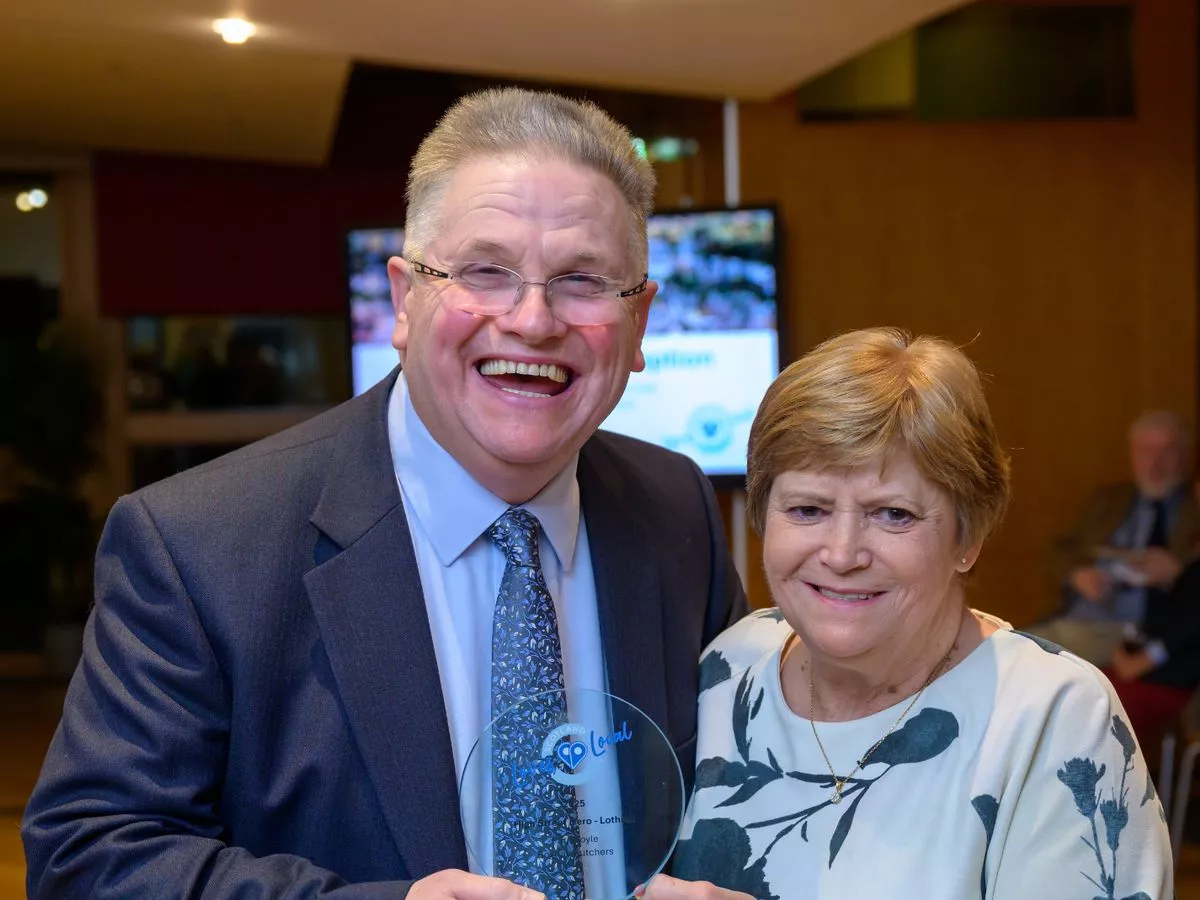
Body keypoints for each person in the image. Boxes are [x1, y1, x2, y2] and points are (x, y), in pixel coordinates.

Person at [22, 88, 746, 900]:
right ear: (404, 300)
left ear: (640, 322)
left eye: (583, 280)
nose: (534, 321)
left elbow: (749, 793)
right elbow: (90, 858)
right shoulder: (198, 546)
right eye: (486, 271)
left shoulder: (674, 509)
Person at [666, 328, 1171, 899]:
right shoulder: (728, 668)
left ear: (969, 536)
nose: (842, 554)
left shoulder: (1054, 715)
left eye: (894, 515)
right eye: (807, 509)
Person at [1030, 410, 1199, 666]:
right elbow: (1058, 550)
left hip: (1137, 630)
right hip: (1075, 618)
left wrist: (1178, 574)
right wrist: (1077, 574)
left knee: (1024, 659)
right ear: (1132, 454)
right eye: (1145, 451)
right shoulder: (1109, 500)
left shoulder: (1194, 507)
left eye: (1167, 451)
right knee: (1001, 645)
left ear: (1186, 455)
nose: (1155, 463)